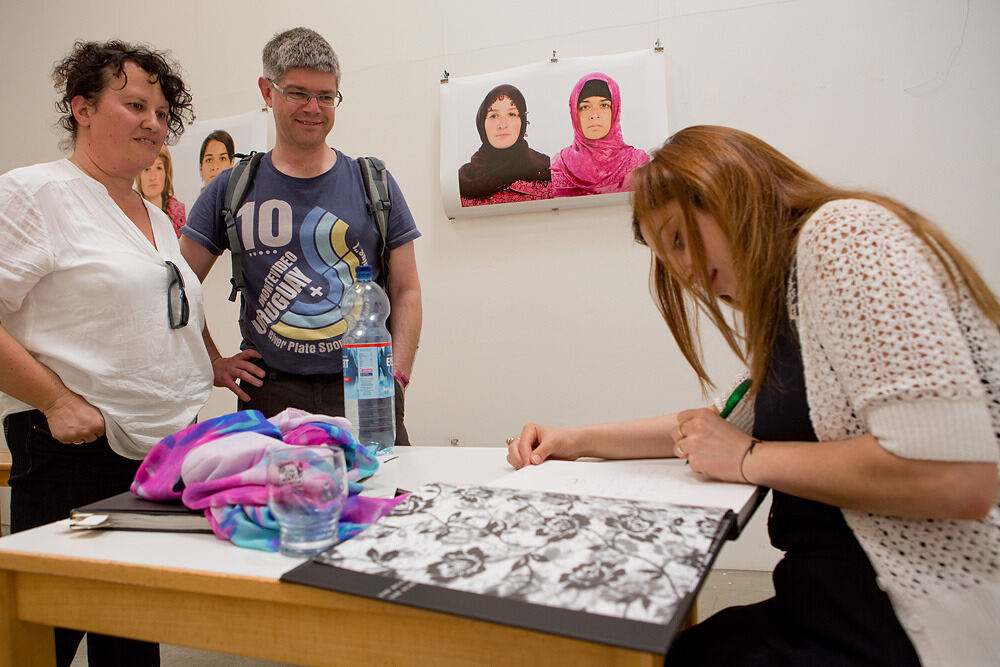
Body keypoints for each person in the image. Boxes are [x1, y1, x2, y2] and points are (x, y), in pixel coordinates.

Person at [508, 126, 999, 666]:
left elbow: (956, 477)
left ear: (728, 190)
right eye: (669, 261)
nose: (687, 273)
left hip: (910, 624)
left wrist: (748, 460)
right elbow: (719, 423)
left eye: (678, 240)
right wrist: (574, 438)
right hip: (827, 604)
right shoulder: (789, 299)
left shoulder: (843, 235)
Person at [0, 40, 213, 667]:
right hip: (74, 452)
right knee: (48, 640)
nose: (153, 121)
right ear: (83, 109)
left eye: (161, 109)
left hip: (158, 461)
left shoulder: (156, 216)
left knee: (131, 640)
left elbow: (165, 315)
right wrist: (56, 401)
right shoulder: (36, 194)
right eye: (134, 105)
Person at [181, 27, 422, 445]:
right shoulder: (232, 188)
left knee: (385, 504)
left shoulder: (373, 183)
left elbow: (406, 292)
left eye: (326, 96)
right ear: (267, 91)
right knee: (275, 508)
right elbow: (179, 288)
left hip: (365, 388)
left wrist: (396, 377)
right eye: (298, 93)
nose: (314, 108)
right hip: (271, 394)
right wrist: (214, 362)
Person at [549, 72, 649, 197]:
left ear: (615, 110)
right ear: (575, 113)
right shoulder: (560, 165)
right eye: (585, 107)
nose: (594, 114)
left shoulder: (637, 163)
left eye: (604, 105)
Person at [458, 83, 551, 206]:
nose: (502, 125)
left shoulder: (547, 171)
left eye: (511, 114)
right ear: (481, 123)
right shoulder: (465, 180)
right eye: (494, 116)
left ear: (522, 121)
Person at [137, 144, 186, 236]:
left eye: (159, 168)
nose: (152, 177)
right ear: (138, 175)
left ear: (166, 173)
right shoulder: (130, 213)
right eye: (147, 169)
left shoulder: (181, 214)